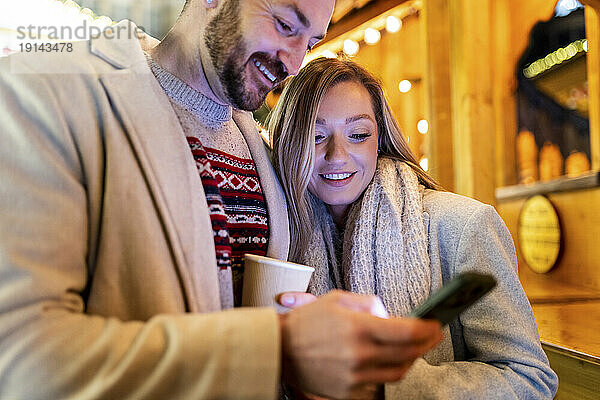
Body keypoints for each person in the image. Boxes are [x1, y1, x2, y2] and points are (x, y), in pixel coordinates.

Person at [0, 1, 444, 399]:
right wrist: (275, 349)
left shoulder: (265, 153)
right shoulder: (51, 91)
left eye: (311, 41)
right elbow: (20, 359)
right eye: (286, 24)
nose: (294, 63)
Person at [269, 57, 559, 399]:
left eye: (358, 134)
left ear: (380, 139)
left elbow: (530, 378)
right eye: (316, 137)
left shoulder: (462, 224)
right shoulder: (281, 234)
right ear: (288, 143)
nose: (337, 155)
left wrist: (388, 388)